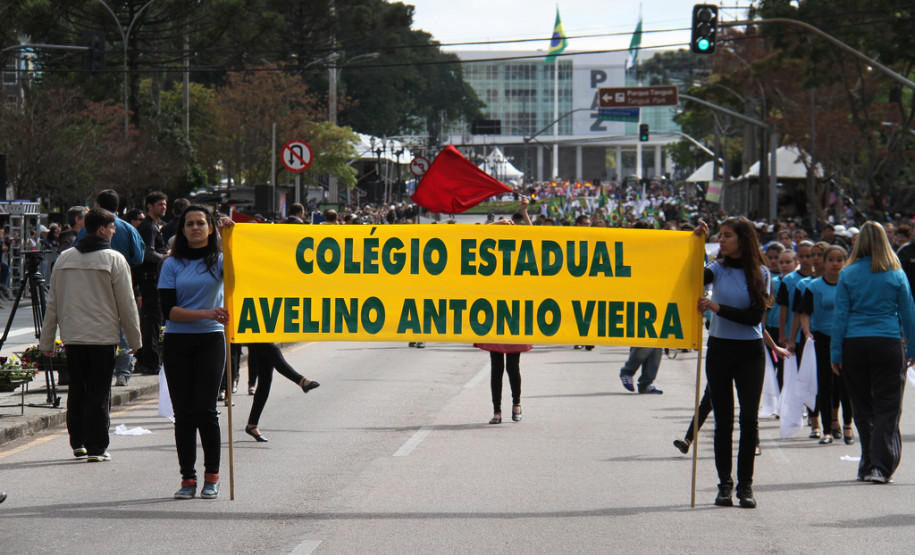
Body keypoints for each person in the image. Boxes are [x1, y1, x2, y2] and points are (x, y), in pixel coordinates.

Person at [39, 208, 142, 462]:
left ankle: (78, 442)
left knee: (77, 389)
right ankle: (97, 447)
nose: (115, 230)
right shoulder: (114, 259)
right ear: (102, 230)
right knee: (99, 391)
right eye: (113, 227)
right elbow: (127, 304)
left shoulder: (63, 258)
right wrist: (135, 339)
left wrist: (47, 340)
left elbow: (53, 302)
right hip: (103, 336)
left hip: (73, 336)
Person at [830, 222, 915, 484]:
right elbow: (908, 313)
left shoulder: (848, 273)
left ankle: (867, 462)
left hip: (854, 343)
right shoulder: (896, 273)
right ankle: (880, 465)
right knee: (887, 405)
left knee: (862, 406)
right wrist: (912, 347)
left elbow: (840, 315)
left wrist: (835, 353)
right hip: (887, 341)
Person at [159, 204, 232, 499]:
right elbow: (170, 312)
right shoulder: (171, 264)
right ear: (183, 229)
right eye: (189, 224)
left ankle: (212, 477)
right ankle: (187, 478)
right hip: (177, 343)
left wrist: (234, 233)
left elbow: (253, 266)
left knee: (206, 409)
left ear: (210, 227)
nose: (195, 228)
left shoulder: (221, 260)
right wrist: (207, 313)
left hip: (211, 342)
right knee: (184, 414)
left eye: (201, 223)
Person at [696, 216, 770, 509]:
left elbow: (754, 318)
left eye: (727, 235)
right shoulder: (717, 268)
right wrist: (696, 243)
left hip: (750, 352)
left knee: (749, 420)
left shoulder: (760, 272)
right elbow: (693, 275)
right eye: (719, 235)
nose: (721, 240)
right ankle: (725, 486)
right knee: (723, 421)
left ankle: (746, 487)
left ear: (743, 239)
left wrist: (716, 307)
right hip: (719, 349)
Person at [76, 190, 146, 386]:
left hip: (92, 283)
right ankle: (123, 372)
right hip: (122, 278)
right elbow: (139, 257)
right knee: (123, 321)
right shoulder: (128, 228)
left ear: (98, 205)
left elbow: (75, 249)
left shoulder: (87, 229)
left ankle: (96, 370)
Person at [475, 197, 532, 425]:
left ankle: (516, 402)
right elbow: (474, 236)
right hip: (495, 313)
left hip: (514, 314)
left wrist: (524, 213)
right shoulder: (492, 256)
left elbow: (537, 237)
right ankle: (497, 410)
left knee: (512, 365)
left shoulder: (522, 257)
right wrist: (498, 224)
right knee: (496, 365)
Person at [799, 245, 853, 445]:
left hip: (846, 338)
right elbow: (804, 313)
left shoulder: (849, 285)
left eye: (840, 260)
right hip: (822, 338)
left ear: (845, 262)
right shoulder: (814, 286)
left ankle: (847, 426)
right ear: (824, 261)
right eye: (831, 259)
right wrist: (807, 333)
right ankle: (827, 429)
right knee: (825, 383)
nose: (835, 264)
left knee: (845, 384)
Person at [243, 343, 320, 442]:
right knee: (273, 351)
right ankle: (301, 381)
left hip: (262, 332)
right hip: (251, 331)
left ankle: (252, 424)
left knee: (265, 380)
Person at [135, 191, 170, 376]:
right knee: (151, 322)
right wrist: (167, 257)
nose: (163, 208)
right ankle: (149, 362)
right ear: (150, 206)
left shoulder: (155, 226)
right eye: (160, 205)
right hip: (149, 282)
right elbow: (147, 253)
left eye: (165, 205)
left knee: (154, 321)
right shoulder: (148, 227)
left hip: (154, 281)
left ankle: (148, 359)